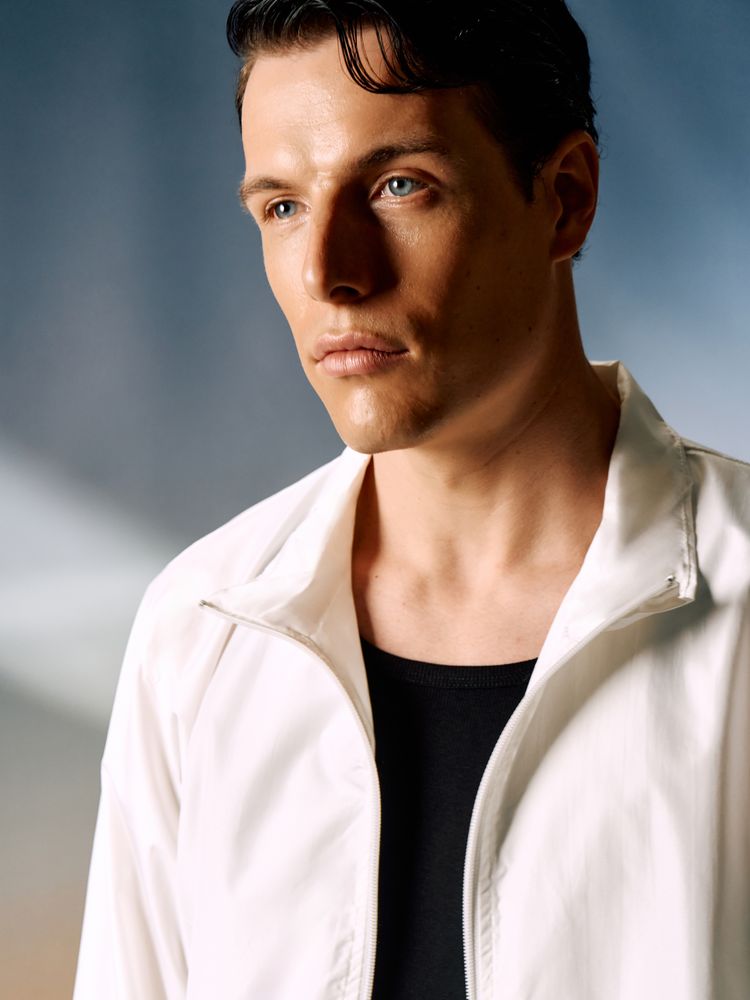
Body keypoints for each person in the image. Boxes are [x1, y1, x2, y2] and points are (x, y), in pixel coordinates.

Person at [74, 2, 750, 997]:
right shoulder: (199, 629)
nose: (329, 274)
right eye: (282, 207)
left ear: (565, 199)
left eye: (399, 186)